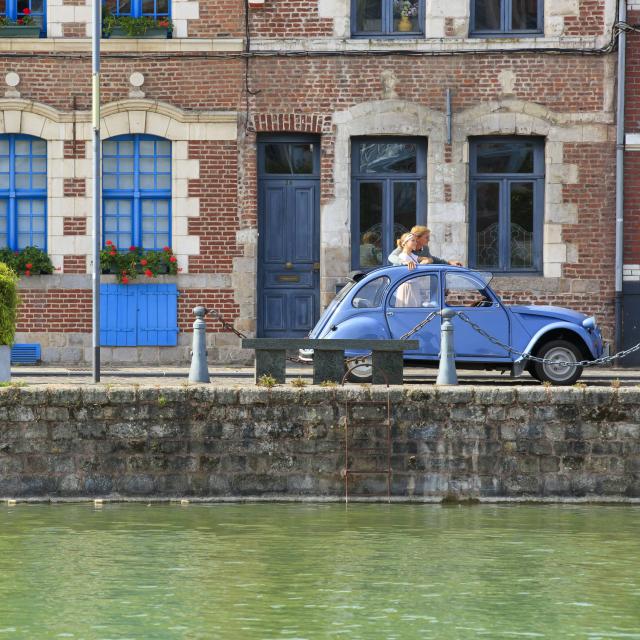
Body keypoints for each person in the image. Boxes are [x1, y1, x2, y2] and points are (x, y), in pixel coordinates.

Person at [388, 225, 463, 270]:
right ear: (417, 238)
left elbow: (432, 259)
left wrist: (449, 263)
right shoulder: (405, 247)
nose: (429, 240)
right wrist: (404, 262)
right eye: (426, 237)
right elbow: (391, 257)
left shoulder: (425, 249)